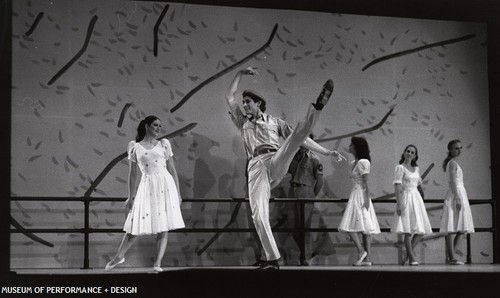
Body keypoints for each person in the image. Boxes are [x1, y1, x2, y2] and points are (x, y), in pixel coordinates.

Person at [225, 67, 346, 269]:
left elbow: (301, 138)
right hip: (255, 166)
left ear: (259, 104)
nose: (244, 105)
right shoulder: (241, 121)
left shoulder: (275, 122)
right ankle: (272, 258)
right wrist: (239, 73)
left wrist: (326, 152)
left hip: (275, 158)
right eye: (244, 102)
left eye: (248, 102)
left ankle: (318, 105)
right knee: (258, 213)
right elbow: (229, 96)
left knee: (296, 134)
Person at [105, 116, 185, 273]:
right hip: (147, 185)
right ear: (147, 126)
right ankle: (118, 256)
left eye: (160, 126)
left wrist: (178, 193)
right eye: (155, 125)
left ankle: (157, 263)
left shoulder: (164, 144)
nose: (158, 128)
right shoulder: (135, 147)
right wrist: (130, 196)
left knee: (164, 225)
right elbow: (132, 174)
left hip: (165, 185)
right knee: (135, 224)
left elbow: (172, 169)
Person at [338, 136, 380, 266]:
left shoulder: (363, 162)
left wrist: (367, 199)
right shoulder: (353, 163)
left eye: (351, 145)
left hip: (361, 195)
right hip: (355, 194)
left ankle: (364, 254)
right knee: (355, 225)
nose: (349, 147)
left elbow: (366, 182)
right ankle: (364, 255)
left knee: (363, 226)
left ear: (357, 147)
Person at [390, 145, 432, 266]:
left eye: (412, 152)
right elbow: (397, 186)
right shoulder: (400, 168)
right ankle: (412, 257)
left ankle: (407, 253)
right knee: (407, 230)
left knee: (420, 230)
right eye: (408, 151)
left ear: (415, 155)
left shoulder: (416, 169)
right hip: (406, 197)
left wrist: (422, 199)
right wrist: (399, 204)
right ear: (404, 153)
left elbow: (418, 185)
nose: (409, 153)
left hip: (416, 198)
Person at [287, 134, 324, 266]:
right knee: (292, 226)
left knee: (304, 226)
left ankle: (304, 256)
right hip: (293, 191)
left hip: (306, 191)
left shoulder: (314, 158)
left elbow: (320, 180)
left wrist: (312, 195)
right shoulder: (292, 156)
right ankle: (308, 251)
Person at [439, 139, 475, 265]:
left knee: (463, 228)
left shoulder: (454, 163)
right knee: (450, 226)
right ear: (450, 150)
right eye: (456, 148)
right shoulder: (452, 163)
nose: (459, 150)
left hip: (460, 192)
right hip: (456, 193)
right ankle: (452, 257)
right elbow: (452, 182)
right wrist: (457, 197)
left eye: (460, 148)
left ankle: (451, 256)